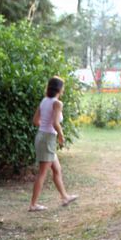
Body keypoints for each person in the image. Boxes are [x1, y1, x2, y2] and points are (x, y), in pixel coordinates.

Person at [29, 75, 78, 211]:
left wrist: (44, 128)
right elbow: (56, 123)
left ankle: (65, 197)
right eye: (63, 88)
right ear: (59, 89)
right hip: (48, 139)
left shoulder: (45, 101)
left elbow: (35, 121)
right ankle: (33, 205)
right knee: (42, 173)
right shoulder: (57, 103)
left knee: (57, 169)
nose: (63, 90)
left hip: (42, 136)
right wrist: (61, 136)